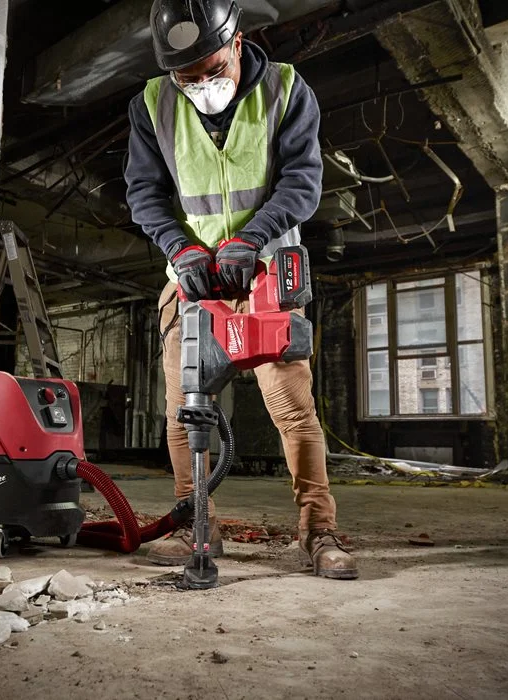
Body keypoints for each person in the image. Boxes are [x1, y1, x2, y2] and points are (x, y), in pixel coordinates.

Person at [124, 0, 357, 580]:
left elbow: (302, 181)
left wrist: (253, 237)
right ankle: (196, 523)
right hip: (193, 276)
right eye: (187, 78)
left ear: (237, 41)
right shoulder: (151, 105)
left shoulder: (286, 89)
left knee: (292, 409)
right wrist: (178, 248)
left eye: (212, 69)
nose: (202, 86)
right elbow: (144, 193)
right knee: (184, 411)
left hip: (267, 270)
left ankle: (319, 529)